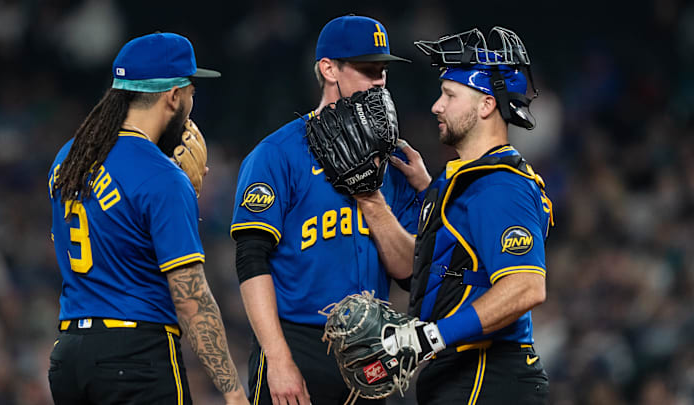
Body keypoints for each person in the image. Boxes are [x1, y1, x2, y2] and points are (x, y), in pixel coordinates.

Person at [230, 15, 428, 405]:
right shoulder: (277, 154)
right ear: (328, 68)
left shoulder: (397, 162)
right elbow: (251, 260)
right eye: (367, 70)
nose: (379, 82)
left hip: (371, 350)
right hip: (296, 342)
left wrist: (372, 201)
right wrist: (278, 359)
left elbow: (407, 271)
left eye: (383, 71)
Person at [47, 32, 248, 405]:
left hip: (69, 355)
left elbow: (85, 239)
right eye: (191, 92)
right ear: (173, 96)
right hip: (134, 358)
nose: (192, 102)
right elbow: (191, 299)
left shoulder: (67, 159)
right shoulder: (163, 178)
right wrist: (233, 389)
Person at [384, 27, 553, 404]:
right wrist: (430, 191)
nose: (436, 106)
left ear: (486, 105)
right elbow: (453, 259)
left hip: (487, 376)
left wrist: (430, 336)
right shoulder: (469, 183)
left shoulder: (501, 186)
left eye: (449, 94)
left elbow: (526, 286)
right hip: (464, 375)